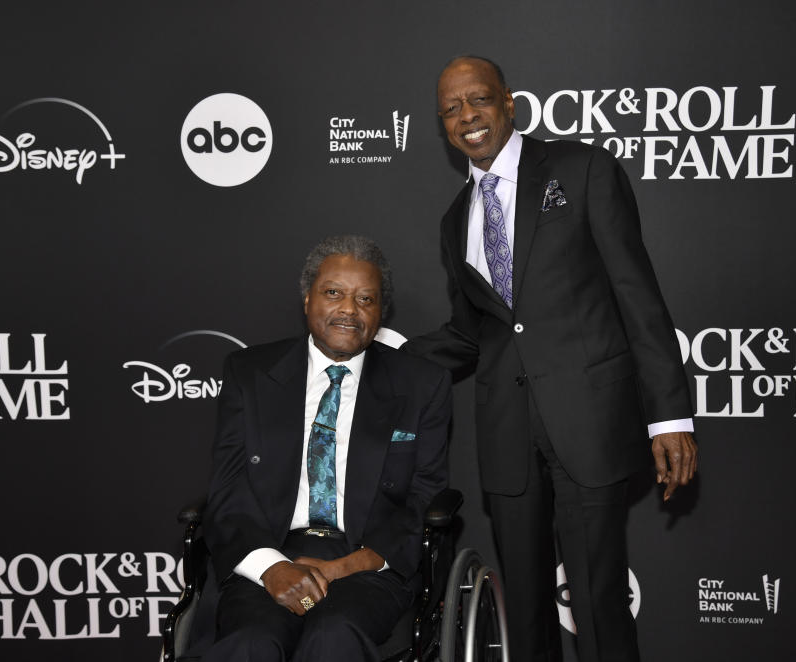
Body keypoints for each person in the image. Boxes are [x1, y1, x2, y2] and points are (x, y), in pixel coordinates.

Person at [404, 56, 698, 662]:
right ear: (442, 125)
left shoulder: (583, 169)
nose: (468, 117)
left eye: (478, 100)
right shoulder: (454, 219)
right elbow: (470, 333)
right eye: (452, 110)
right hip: (509, 435)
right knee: (527, 614)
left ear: (509, 103)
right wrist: (389, 352)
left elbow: (636, 294)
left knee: (598, 602)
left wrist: (669, 416)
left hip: (588, 422)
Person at [202, 235, 452, 662]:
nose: (348, 310)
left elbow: (424, 495)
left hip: (365, 565)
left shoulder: (421, 384)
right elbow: (228, 491)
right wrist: (271, 567)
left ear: (380, 312)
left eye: (365, 299)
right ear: (307, 299)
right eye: (333, 293)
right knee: (253, 643)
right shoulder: (251, 374)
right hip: (271, 553)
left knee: (332, 636)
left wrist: (343, 568)